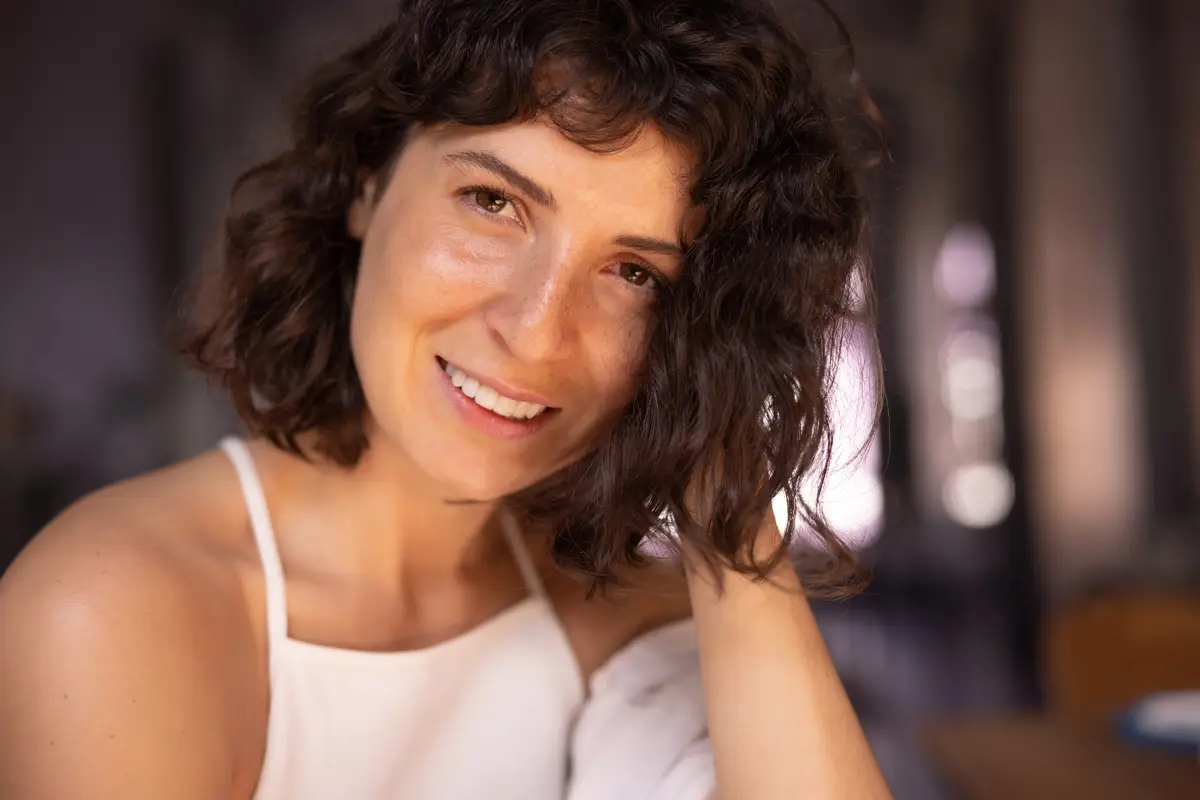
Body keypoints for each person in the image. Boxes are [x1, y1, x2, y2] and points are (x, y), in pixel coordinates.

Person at [0, 0, 892, 797]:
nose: (537, 332)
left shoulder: (617, 619)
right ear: (368, 181)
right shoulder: (111, 612)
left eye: (634, 273)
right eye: (492, 202)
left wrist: (728, 492)